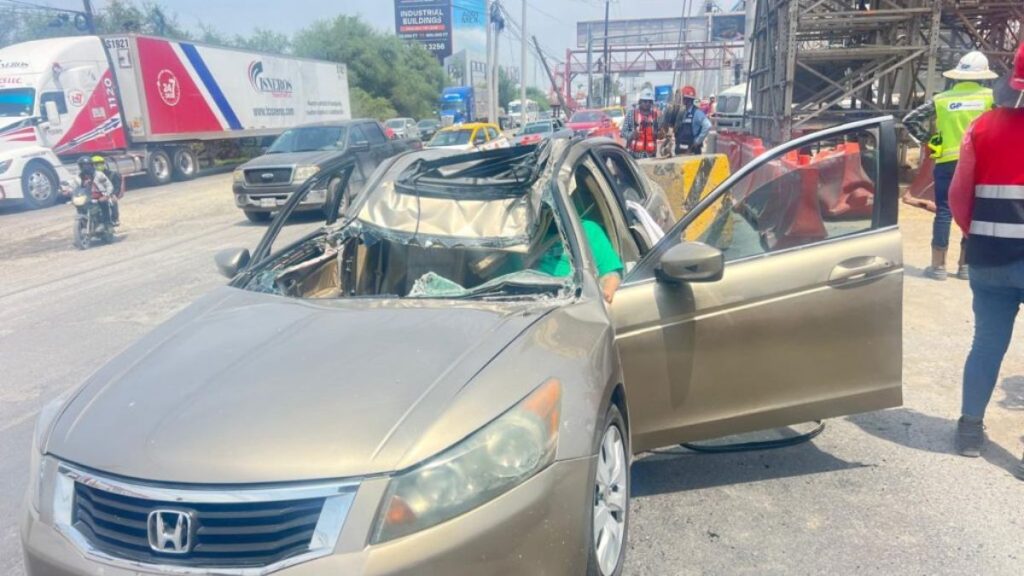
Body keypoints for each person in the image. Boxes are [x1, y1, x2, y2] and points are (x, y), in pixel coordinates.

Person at [949, 44, 1024, 477]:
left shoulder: (981, 127)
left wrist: (976, 236)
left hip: (989, 258)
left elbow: (960, 196)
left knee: (986, 346)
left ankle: (970, 431)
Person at [903, 51, 996, 281]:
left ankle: (938, 267)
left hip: (946, 162)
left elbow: (910, 120)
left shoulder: (942, 99)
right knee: (973, 213)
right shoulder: (990, 99)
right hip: (978, 165)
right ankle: (965, 267)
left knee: (943, 211)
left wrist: (929, 139)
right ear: (983, 76)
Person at [76, 156, 118, 227]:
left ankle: (106, 222)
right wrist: (68, 191)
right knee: (79, 204)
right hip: (87, 197)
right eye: (83, 166)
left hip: (100, 195)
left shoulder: (99, 174)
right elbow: (74, 186)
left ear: (91, 165)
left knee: (103, 202)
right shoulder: (78, 177)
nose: (85, 168)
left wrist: (106, 195)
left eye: (87, 165)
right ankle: (83, 223)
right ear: (80, 167)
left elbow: (109, 185)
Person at [621, 89, 660, 159]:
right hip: (634, 155)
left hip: (651, 156)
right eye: (645, 101)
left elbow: (658, 133)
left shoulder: (655, 115)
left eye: (650, 102)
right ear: (640, 102)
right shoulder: (631, 114)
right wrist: (632, 135)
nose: (647, 103)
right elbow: (623, 132)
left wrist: (659, 134)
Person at [673, 85, 712, 155]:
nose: (681, 100)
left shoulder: (697, 113)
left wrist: (697, 141)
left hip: (693, 152)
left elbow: (708, 126)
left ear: (686, 100)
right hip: (683, 151)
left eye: (682, 98)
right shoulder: (684, 113)